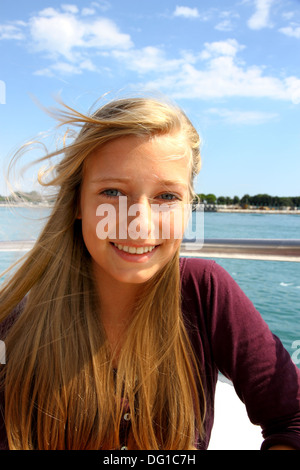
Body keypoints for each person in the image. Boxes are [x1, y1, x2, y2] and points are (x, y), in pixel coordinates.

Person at [0, 96, 299, 450]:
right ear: (77, 203)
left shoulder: (204, 291)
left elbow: (290, 419)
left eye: (166, 197)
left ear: (189, 207)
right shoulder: (17, 323)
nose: (139, 225)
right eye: (112, 192)